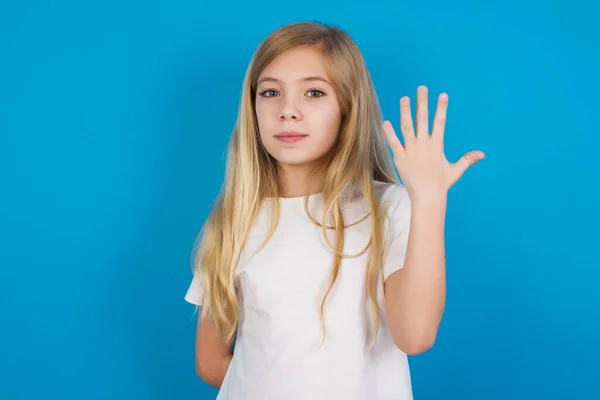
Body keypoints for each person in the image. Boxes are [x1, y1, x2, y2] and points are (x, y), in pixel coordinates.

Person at [184, 21, 485, 400]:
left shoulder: (386, 208)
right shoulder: (234, 219)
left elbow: (415, 335)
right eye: (271, 92)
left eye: (313, 92)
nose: (288, 110)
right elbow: (210, 363)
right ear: (252, 106)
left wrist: (429, 201)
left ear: (348, 108)